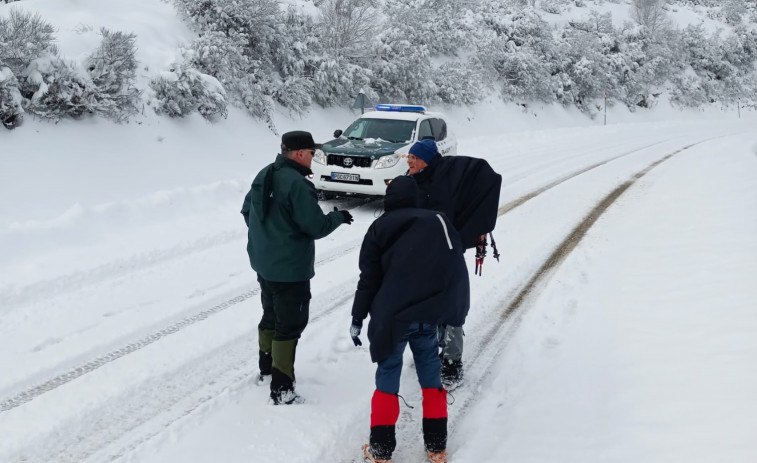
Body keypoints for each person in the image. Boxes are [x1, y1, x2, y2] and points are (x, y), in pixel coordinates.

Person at [350, 176, 469, 463]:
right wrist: (453, 308)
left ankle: (380, 451)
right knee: (430, 376)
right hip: (427, 315)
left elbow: (369, 278)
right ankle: (437, 447)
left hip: (392, 317)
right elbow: (454, 265)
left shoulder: (380, 227)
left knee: (388, 375)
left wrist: (358, 315)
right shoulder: (438, 222)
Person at [241, 130, 354, 405]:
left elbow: (247, 211)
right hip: (290, 270)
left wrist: (267, 238)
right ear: (300, 153)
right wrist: (338, 217)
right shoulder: (298, 184)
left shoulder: (264, 174)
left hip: (264, 263)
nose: (314, 159)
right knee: (290, 323)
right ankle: (282, 389)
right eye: (312, 154)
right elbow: (315, 226)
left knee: (270, 314)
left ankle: (266, 369)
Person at [406, 139, 502, 391]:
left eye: (414, 158)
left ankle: (451, 363)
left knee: (451, 306)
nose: (409, 161)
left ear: (427, 160)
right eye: (409, 157)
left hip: (447, 254)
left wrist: (463, 234)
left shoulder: (443, 181)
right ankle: (431, 350)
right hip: (423, 255)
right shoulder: (416, 181)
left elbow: (486, 176)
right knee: (426, 303)